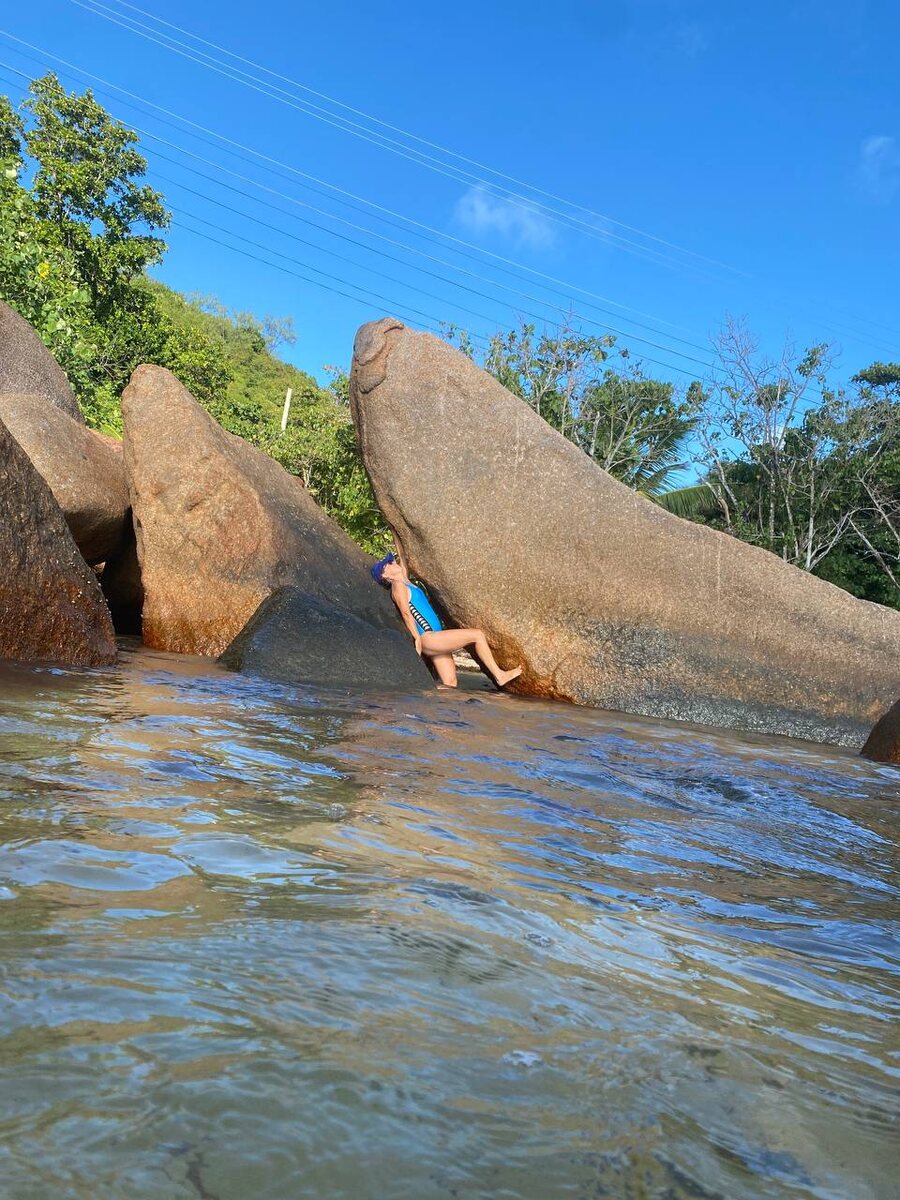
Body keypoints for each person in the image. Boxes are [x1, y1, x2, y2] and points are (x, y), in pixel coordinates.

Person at [371, 545, 523, 690]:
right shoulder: (397, 586)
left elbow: (403, 555)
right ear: (385, 575)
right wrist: (417, 638)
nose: (392, 562)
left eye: (391, 560)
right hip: (429, 637)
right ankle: (499, 675)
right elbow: (406, 613)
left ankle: (427, 703)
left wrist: (394, 525)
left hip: (437, 638)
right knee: (477, 635)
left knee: (450, 684)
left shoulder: (405, 580)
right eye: (388, 564)